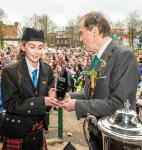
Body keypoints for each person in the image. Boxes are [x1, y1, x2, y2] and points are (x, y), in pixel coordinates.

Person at [60, 12, 140, 150]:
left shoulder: (123, 55)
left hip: (115, 141)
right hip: (97, 136)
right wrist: (70, 96)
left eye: (82, 33)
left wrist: (78, 105)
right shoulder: (98, 58)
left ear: (95, 31)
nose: (80, 38)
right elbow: (93, 92)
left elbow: (119, 105)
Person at [0, 27, 58, 150]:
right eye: (32, 46)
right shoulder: (10, 71)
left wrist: (52, 99)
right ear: (23, 47)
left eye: (40, 47)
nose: (37, 52)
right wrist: (42, 101)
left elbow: (46, 106)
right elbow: (10, 104)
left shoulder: (47, 70)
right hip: (17, 129)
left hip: (39, 128)